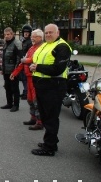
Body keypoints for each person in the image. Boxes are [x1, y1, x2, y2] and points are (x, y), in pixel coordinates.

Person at [29, 24, 71, 156]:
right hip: (43, 86)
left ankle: (49, 147)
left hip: (54, 86)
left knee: (51, 117)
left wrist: (37, 67)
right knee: (45, 115)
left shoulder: (62, 47)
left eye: (50, 33)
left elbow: (58, 69)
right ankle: (51, 141)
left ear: (58, 33)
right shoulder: (46, 45)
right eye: (46, 33)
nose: (48, 35)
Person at [10, 29, 44, 130]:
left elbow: (32, 59)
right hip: (29, 76)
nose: (32, 38)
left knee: (36, 100)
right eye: (32, 36)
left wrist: (25, 60)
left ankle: (39, 122)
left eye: (34, 36)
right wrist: (14, 73)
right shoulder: (32, 48)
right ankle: (33, 118)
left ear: (40, 38)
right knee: (30, 99)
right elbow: (23, 62)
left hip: (36, 77)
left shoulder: (42, 48)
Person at [0, 27, 23, 112]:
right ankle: (9, 103)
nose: (6, 36)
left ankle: (16, 105)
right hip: (6, 70)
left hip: (13, 70)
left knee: (15, 88)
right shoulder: (6, 43)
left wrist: (15, 71)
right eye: (5, 34)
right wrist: (3, 69)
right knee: (7, 87)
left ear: (12, 34)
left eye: (8, 34)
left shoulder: (17, 43)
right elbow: (4, 57)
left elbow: (19, 58)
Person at [20, 24, 33, 100]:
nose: (26, 33)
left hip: (27, 63)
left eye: (27, 32)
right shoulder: (24, 41)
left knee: (26, 78)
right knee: (23, 78)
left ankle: (26, 93)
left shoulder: (29, 42)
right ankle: (25, 91)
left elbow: (29, 53)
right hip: (23, 62)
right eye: (24, 32)